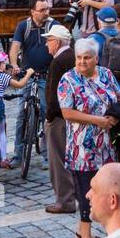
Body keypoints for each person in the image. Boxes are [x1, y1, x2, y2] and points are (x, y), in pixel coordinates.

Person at [57, 39, 120, 238]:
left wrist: (112, 119)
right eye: (79, 58)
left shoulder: (106, 74)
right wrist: (98, 121)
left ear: (96, 58)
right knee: (88, 192)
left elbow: (118, 99)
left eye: (87, 58)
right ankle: (85, 237)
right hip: (82, 148)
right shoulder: (68, 79)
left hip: (107, 144)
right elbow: (67, 113)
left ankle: (82, 232)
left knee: (108, 188)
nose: (82, 62)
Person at [9, 0, 53, 162]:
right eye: (42, 10)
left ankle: (46, 154)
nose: (46, 12)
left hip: (45, 75)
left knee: (46, 113)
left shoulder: (52, 25)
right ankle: (18, 154)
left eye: (47, 9)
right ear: (32, 11)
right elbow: (15, 48)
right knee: (21, 114)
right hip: (27, 75)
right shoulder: (24, 26)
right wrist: (14, 65)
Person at [43, 25, 78, 215]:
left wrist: (49, 117)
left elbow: (53, 94)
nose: (47, 44)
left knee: (58, 159)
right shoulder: (73, 55)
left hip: (59, 118)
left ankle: (65, 200)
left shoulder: (58, 61)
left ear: (57, 42)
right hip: (73, 115)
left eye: (48, 40)